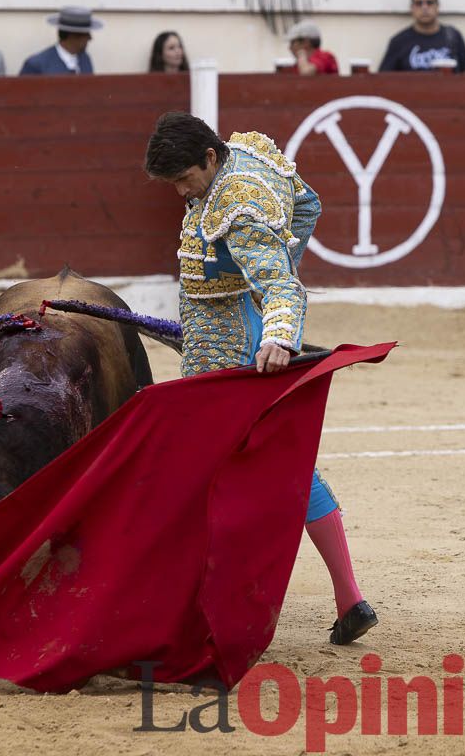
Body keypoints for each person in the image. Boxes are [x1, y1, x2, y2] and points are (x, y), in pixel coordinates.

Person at [143, 111, 378, 646]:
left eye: (184, 179)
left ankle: (205, 600)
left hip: (228, 341)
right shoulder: (244, 155)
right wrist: (264, 271)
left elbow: (283, 290)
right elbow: (308, 204)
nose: (181, 191)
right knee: (279, 459)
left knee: (206, 463)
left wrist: (274, 335)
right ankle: (349, 599)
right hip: (230, 323)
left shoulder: (238, 206)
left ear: (208, 157)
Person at [378, 0, 465, 74]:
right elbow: (383, 80)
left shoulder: (453, 36)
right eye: (419, 3)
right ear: (412, 8)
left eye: (430, 3)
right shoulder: (398, 42)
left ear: (437, 6)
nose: (424, 7)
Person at [20, 6, 100, 76]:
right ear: (72, 36)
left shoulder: (85, 60)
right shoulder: (37, 64)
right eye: (86, 34)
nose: (90, 38)